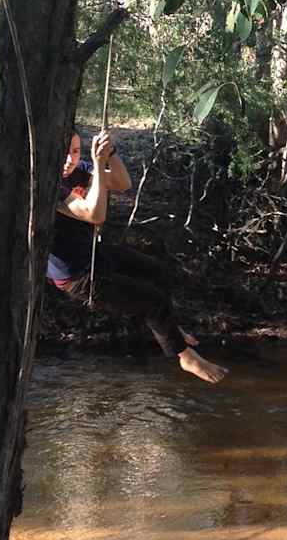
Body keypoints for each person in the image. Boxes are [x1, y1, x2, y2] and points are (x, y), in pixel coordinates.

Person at [48, 129, 228, 384]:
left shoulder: (82, 169)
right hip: (76, 276)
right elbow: (94, 214)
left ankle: (169, 331)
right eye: (63, 153)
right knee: (152, 301)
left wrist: (111, 154)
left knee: (159, 272)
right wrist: (99, 166)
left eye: (75, 151)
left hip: (95, 254)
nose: (69, 159)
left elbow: (123, 184)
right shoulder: (47, 184)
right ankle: (185, 357)